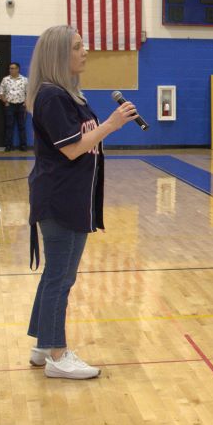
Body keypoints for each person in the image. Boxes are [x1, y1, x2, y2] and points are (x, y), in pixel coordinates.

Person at [26, 24, 140, 379]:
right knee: (61, 277)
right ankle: (58, 355)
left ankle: (44, 344)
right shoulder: (52, 96)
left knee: (58, 275)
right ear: (60, 54)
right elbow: (73, 147)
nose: (85, 50)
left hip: (74, 196)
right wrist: (113, 123)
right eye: (77, 46)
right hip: (59, 197)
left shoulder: (69, 94)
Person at [0, 61, 28, 152]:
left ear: (17, 69)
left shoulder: (25, 80)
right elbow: (1, 92)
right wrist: (5, 102)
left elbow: (29, 92)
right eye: (10, 68)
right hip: (10, 105)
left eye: (12, 68)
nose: (10, 70)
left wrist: (25, 103)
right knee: (9, 126)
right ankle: (8, 145)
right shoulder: (5, 79)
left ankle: (23, 145)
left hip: (21, 105)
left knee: (22, 126)